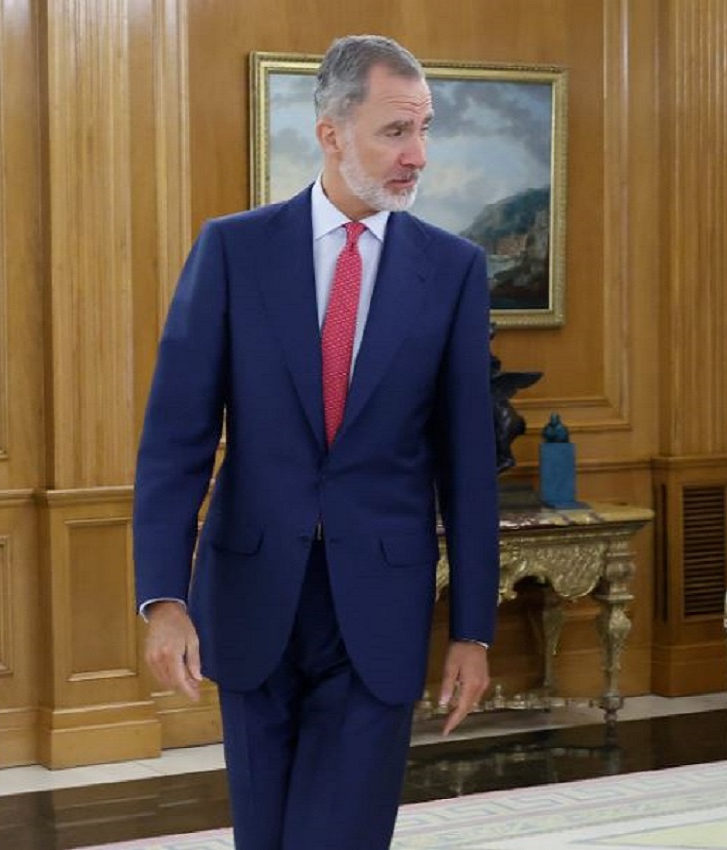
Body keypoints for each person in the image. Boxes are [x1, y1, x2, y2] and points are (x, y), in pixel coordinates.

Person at [133, 34, 500, 850]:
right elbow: (175, 440)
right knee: (265, 837)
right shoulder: (233, 250)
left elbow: (470, 468)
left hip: (379, 605)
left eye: (425, 130)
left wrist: (473, 631)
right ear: (332, 133)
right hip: (253, 596)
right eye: (396, 132)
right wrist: (162, 598)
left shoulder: (452, 270)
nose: (419, 156)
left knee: (344, 835)